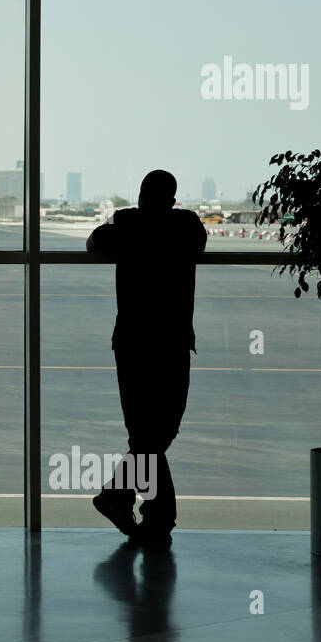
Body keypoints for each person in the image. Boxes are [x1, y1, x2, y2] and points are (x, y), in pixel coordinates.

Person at [86, 170, 206, 546]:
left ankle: (133, 503)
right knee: (158, 433)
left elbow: (93, 243)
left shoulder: (126, 222)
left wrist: (119, 222)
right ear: (172, 199)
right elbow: (200, 244)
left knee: (145, 434)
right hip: (171, 342)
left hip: (134, 342)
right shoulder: (186, 225)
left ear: (140, 195)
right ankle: (153, 515)